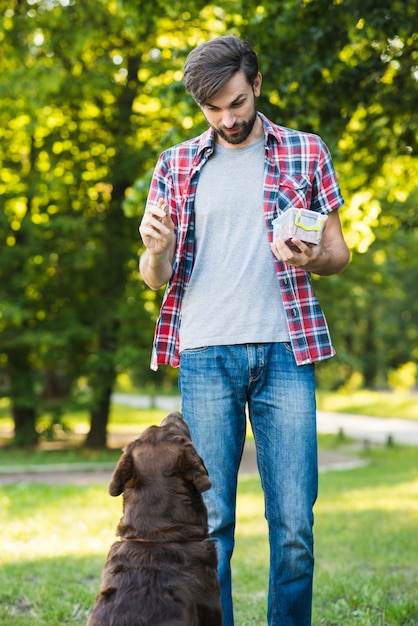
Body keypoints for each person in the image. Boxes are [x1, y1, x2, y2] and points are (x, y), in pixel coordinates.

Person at [139, 35, 350, 626]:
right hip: (206, 353)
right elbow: (154, 277)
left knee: (293, 527)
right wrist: (157, 250)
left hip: (287, 351)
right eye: (212, 109)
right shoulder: (175, 163)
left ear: (255, 84)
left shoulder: (306, 153)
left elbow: (338, 253)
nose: (226, 119)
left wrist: (308, 257)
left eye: (235, 102)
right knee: (211, 527)